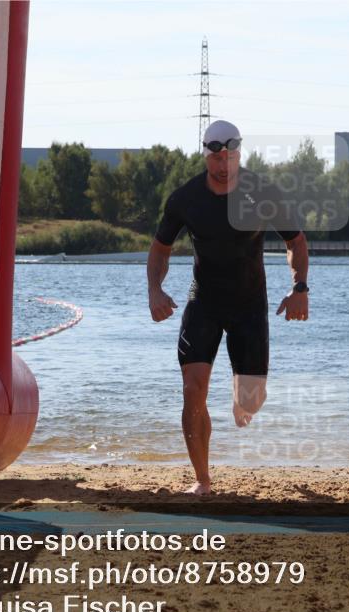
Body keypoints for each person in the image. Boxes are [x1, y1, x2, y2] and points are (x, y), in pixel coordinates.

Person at [146, 120, 310, 495]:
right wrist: (155, 290)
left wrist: (299, 287)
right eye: (216, 157)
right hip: (204, 300)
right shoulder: (185, 199)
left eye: (230, 157)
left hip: (249, 303)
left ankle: (242, 397)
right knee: (193, 389)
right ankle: (202, 480)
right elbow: (160, 249)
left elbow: (296, 242)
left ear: (239, 153)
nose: (224, 165)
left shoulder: (261, 192)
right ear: (205, 155)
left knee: (252, 399)